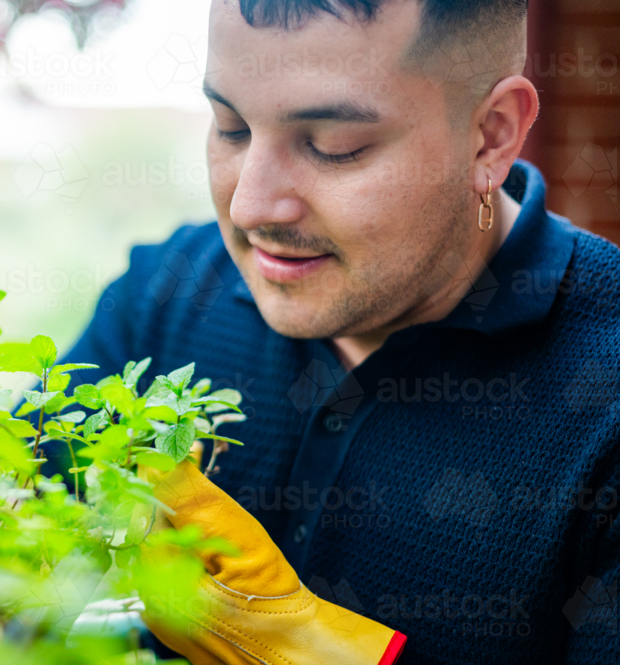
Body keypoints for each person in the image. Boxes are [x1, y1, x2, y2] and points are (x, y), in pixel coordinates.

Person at [48, 1, 619, 663]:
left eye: (332, 146)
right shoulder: (167, 293)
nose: (251, 206)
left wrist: (304, 649)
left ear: (489, 136)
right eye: (230, 127)